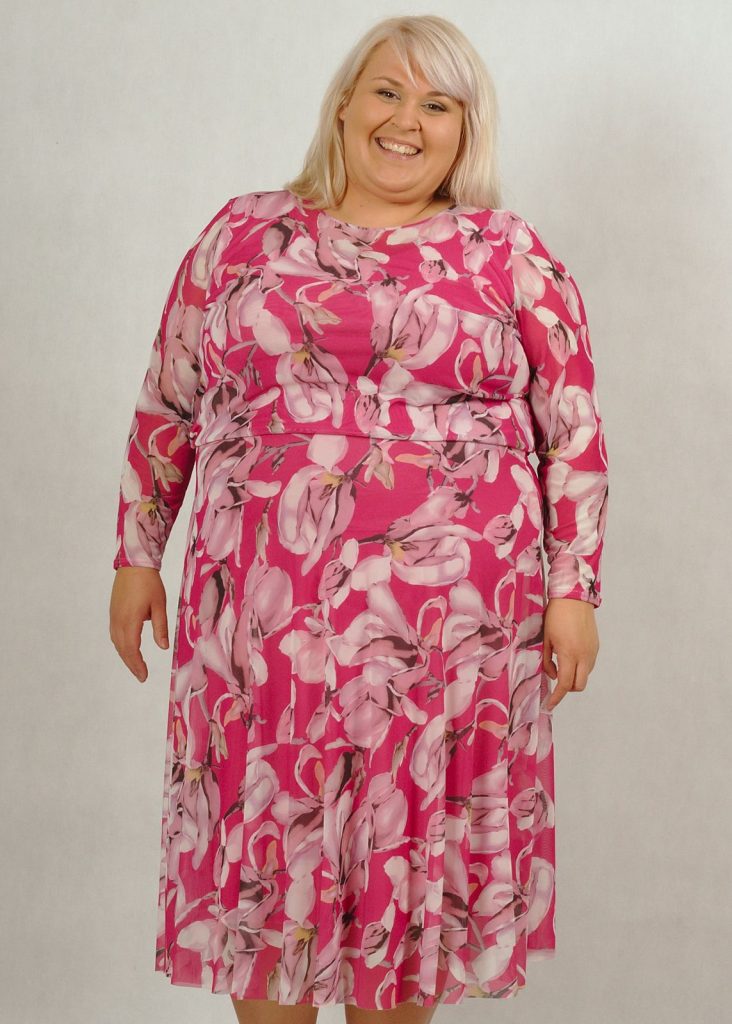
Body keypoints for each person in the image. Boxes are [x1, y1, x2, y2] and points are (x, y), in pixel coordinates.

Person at [109, 13, 609, 1024]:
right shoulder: (243, 235)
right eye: (388, 91)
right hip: (264, 633)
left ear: (466, 131)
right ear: (344, 104)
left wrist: (575, 590)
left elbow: (572, 427)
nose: (407, 121)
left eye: (438, 104)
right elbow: (170, 396)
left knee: (405, 887)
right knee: (270, 877)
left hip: (447, 645)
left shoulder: (507, 252)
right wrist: (136, 554)